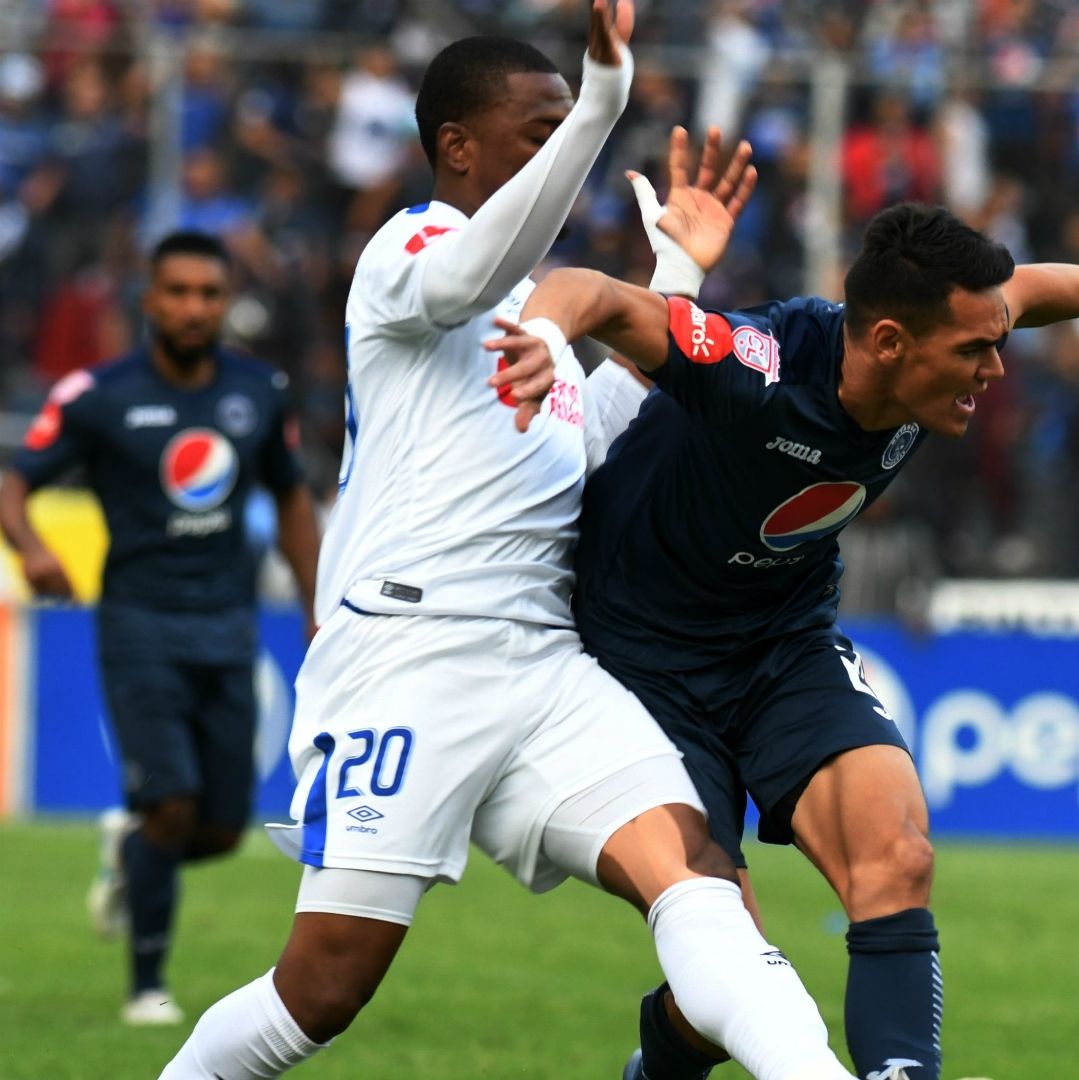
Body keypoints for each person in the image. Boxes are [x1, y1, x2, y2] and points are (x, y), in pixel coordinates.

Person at [158, 5, 853, 1078]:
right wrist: (606, 103)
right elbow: (462, 281)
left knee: (698, 872)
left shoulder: (536, 312)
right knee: (323, 991)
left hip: (543, 667)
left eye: (569, 128)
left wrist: (675, 275)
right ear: (457, 147)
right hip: (411, 656)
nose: (559, 150)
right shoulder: (409, 253)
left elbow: (600, 445)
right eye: (540, 131)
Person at [491, 199, 1079, 1080]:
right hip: (644, 668)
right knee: (727, 961)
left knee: (897, 857)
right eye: (974, 353)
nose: (994, 369)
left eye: (995, 343)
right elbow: (587, 290)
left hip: (782, 640)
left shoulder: (957, 321)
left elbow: (1038, 289)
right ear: (893, 343)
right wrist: (544, 344)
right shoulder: (758, 365)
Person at [0, 230, 319, 1027]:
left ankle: (127, 852)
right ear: (149, 300)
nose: (192, 307)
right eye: (176, 292)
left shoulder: (257, 391)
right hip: (139, 623)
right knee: (171, 805)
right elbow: (14, 481)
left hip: (229, 624)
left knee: (215, 827)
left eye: (208, 294)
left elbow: (289, 499)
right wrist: (33, 550)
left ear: (225, 305)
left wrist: (318, 608)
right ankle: (147, 987)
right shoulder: (99, 394)